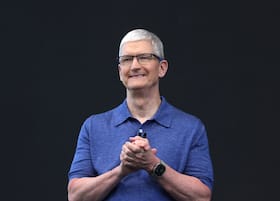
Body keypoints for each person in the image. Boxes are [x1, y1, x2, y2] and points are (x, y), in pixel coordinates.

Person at [67, 28, 214, 201]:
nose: (135, 66)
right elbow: (75, 196)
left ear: (162, 68)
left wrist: (153, 165)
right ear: (120, 71)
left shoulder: (190, 128)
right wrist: (122, 170)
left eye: (144, 57)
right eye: (127, 59)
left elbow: (201, 197)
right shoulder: (93, 127)